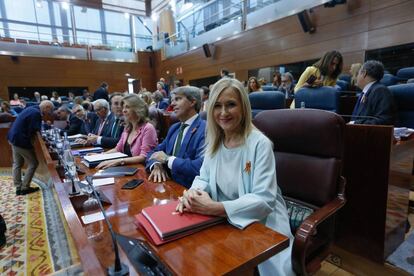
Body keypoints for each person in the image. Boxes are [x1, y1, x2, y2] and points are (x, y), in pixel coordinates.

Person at [176, 78, 294, 276]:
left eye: (231, 104)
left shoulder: (260, 144)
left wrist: (215, 208)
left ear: (244, 107)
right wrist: (193, 195)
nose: (223, 113)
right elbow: (203, 177)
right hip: (223, 217)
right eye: (217, 106)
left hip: (263, 220)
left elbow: (264, 199)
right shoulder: (215, 141)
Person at [146, 86, 206, 188]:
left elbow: (200, 167)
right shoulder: (174, 128)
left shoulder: (205, 129)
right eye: (172, 100)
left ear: (192, 102)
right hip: (168, 186)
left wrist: (167, 159)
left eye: (178, 99)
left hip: (189, 190)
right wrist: (156, 165)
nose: (172, 104)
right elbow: (153, 152)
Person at [96, 94, 158, 169]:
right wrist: (100, 155)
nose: (124, 110)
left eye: (127, 107)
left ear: (137, 109)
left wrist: (119, 161)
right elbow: (117, 149)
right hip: (127, 169)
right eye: (124, 107)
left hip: (141, 171)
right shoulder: (127, 128)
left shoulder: (148, 128)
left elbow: (144, 157)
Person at [7, 100, 54, 195]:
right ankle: (24, 188)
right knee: (34, 163)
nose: (48, 113)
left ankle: (18, 187)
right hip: (21, 141)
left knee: (17, 163)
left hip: (13, 138)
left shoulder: (31, 108)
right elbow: (36, 129)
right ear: (47, 107)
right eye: (50, 111)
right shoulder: (36, 113)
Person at [350, 60, 396, 125]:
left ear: (364, 73)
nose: (356, 77)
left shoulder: (380, 91)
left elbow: (384, 120)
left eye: (358, 74)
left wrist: (355, 123)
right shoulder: (366, 92)